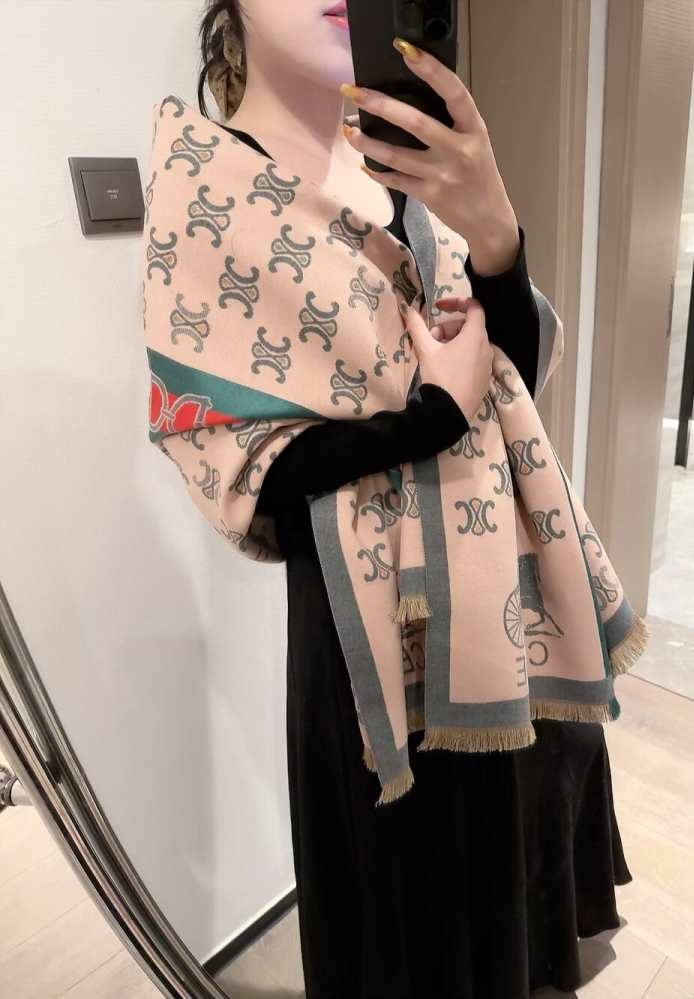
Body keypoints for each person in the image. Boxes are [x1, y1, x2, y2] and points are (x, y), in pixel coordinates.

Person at [194, 3, 633, 996]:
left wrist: (499, 243)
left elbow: (510, 375)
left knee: (504, 880)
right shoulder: (214, 191)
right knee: (398, 905)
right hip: (363, 639)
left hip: (501, 594)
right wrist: (429, 415)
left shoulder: (394, 159)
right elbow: (238, 466)